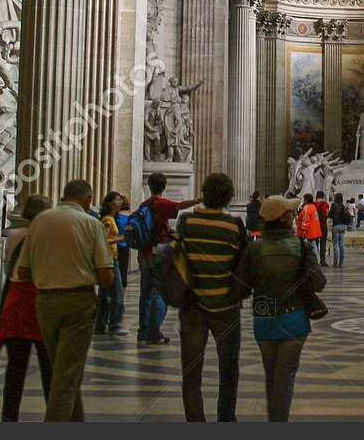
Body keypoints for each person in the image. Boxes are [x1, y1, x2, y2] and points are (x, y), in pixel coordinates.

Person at [13, 180, 115, 421]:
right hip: (78, 303)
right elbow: (106, 276)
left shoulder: (39, 222)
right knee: (66, 374)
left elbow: (24, 272)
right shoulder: (92, 224)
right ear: (88, 201)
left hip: (45, 303)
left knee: (66, 369)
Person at [238, 195, 326, 421]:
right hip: (294, 319)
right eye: (291, 213)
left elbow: (243, 286)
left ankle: (274, 419)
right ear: (286, 218)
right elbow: (319, 283)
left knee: (271, 375)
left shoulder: (254, 250)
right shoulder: (301, 246)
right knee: (285, 378)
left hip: (264, 318)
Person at [175, 172, 250, 422]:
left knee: (191, 372)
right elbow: (244, 265)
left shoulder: (185, 222)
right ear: (229, 197)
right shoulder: (235, 226)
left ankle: (195, 420)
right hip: (226, 307)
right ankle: (226, 418)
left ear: (204, 195)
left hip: (192, 306)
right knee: (228, 368)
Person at [0, 195, 54, 420]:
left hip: (15, 304)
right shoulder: (47, 237)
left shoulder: (14, 235)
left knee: (15, 371)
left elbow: (9, 269)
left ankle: (9, 418)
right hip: (38, 304)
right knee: (49, 368)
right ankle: (55, 417)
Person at [136, 172, 199, 345]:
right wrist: (196, 200)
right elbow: (178, 206)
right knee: (160, 294)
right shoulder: (159, 203)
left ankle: (143, 331)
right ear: (163, 187)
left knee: (145, 294)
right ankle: (154, 333)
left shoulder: (144, 204)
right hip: (158, 254)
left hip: (145, 253)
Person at [95, 192, 128, 335]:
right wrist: (120, 239)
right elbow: (103, 240)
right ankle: (114, 324)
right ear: (109, 203)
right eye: (117, 200)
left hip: (108, 258)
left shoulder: (110, 218)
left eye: (121, 200)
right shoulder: (108, 219)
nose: (120, 202)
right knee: (117, 293)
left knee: (104, 294)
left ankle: (101, 324)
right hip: (111, 259)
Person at [295, 190, 323, 260]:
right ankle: (316, 259)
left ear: (306, 200)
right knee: (314, 246)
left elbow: (305, 220)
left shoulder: (307, 208)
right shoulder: (313, 207)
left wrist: (304, 230)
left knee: (311, 246)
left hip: (308, 232)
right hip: (314, 231)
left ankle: (313, 260)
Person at [328, 193, 350, 267]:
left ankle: (335, 262)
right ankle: (341, 263)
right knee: (342, 245)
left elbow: (330, 215)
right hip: (343, 226)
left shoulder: (334, 205)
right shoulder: (343, 206)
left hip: (336, 225)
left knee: (335, 245)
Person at [314, 191, 331, 264]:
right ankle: (322, 260)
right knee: (323, 243)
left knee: (315, 243)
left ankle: (315, 260)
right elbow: (327, 214)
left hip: (315, 226)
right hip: (323, 225)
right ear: (323, 196)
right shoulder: (325, 204)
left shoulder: (313, 204)